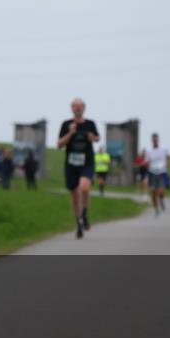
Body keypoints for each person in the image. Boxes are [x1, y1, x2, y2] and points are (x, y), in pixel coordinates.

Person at [57, 98, 100, 239]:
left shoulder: (90, 124)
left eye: (79, 106)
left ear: (84, 108)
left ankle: (85, 213)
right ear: (71, 108)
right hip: (71, 165)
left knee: (85, 187)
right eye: (74, 106)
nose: (77, 108)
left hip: (86, 162)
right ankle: (79, 223)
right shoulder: (66, 124)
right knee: (75, 197)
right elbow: (59, 145)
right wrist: (70, 133)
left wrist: (91, 138)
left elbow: (97, 138)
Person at [145, 133, 170, 215]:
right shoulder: (149, 150)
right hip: (152, 173)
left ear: (158, 140)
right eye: (153, 139)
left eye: (156, 139)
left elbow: (168, 157)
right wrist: (147, 169)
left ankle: (161, 200)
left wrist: (167, 164)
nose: (155, 141)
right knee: (153, 192)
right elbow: (147, 161)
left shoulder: (164, 149)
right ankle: (156, 209)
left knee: (160, 191)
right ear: (152, 140)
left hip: (162, 172)